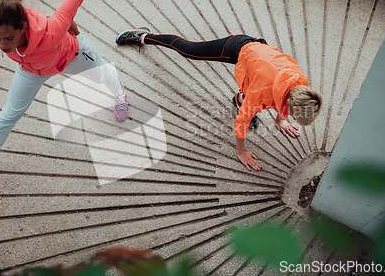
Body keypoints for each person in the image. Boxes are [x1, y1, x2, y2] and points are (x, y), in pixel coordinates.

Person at [0, 0, 130, 203]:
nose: (2, 45)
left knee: (104, 74)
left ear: (23, 26)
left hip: (71, 56)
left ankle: (120, 95)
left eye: (9, 38)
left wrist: (67, 19)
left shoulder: (52, 31)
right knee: (7, 116)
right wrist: (2, 3)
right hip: (31, 70)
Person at [115, 28, 322, 171]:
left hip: (261, 66)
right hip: (240, 47)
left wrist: (280, 120)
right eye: (291, 115)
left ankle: (240, 97)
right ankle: (144, 36)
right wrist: (241, 152)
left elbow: (288, 97)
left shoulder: (301, 84)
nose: (290, 116)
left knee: (253, 98)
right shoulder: (262, 91)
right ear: (289, 105)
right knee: (189, 50)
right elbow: (241, 122)